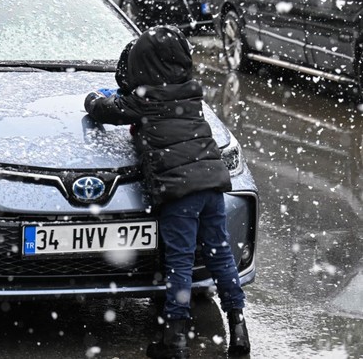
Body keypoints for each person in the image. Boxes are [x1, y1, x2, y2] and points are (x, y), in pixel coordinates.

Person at [84, 25, 250, 359]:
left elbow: (103, 110)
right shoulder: (190, 93)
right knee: (221, 257)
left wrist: (93, 98)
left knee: (180, 263)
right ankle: (239, 329)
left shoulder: (143, 100)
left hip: (179, 191)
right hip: (210, 183)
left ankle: (175, 342)